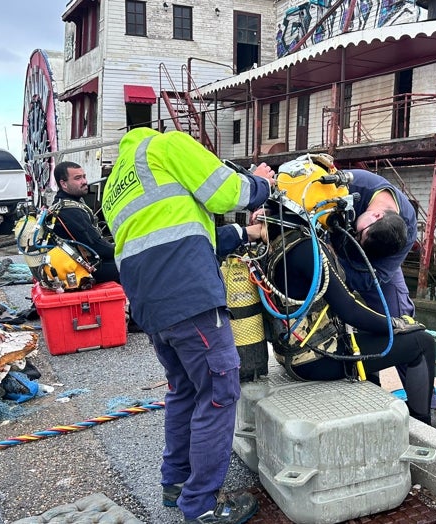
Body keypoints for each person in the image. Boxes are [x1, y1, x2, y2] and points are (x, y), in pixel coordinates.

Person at [101, 128, 274, 524]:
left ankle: (175, 483)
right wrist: (260, 181)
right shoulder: (165, 145)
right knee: (219, 392)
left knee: (183, 389)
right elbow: (227, 192)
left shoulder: (115, 184)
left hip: (152, 305)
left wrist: (245, 234)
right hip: (190, 296)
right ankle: (202, 506)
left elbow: (189, 234)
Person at [252, 160, 436, 425]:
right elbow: (349, 308)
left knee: (386, 323)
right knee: (421, 341)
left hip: (297, 349)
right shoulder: (311, 248)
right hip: (316, 357)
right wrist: (395, 324)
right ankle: (424, 421)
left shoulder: (278, 236)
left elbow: (373, 280)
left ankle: (380, 393)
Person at [324, 163, 436, 426]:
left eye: (359, 234)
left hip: (373, 269)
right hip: (330, 251)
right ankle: (367, 382)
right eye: (359, 232)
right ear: (375, 215)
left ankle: (425, 410)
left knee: (403, 324)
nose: (356, 232)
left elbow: (368, 280)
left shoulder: (406, 228)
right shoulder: (351, 186)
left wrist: (338, 278)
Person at [52, 161, 120, 283]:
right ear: (64, 184)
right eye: (78, 178)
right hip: (88, 269)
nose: (84, 181)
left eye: (84, 176)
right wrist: (122, 250)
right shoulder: (70, 211)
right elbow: (97, 247)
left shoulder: (62, 203)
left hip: (80, 264)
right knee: (139, 265)